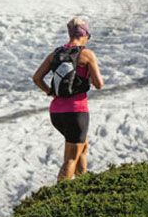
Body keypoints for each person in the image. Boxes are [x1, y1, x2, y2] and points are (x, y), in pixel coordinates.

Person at [32, 16, 104, 182]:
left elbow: (37, 78)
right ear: (84, 35)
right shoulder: (87, 54)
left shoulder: (55, 54)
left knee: (82, 147)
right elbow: (99, 84)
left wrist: (51, 92)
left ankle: (83, 184)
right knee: (70, 158)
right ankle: (61, 194)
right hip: (76, 112)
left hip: (56, 113)